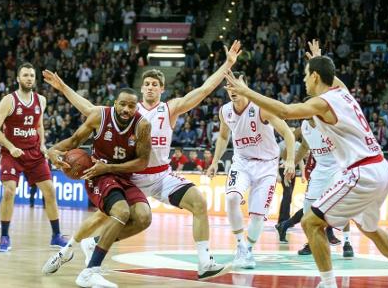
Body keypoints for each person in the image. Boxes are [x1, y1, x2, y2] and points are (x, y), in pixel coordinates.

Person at [41, 40, 242, 280]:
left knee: (198, 202)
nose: (149, 88)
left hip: (160, 175)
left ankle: (203, 262)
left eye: (155, 85)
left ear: (162, 89)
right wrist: (63, 87)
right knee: (103, 216)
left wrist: (227, 64)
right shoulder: (129, 111)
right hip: (130, 175)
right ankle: (70, 248)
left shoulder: (170, 109)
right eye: (146, 84)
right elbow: (88, 108)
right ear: (141, 89)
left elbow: (204, 90)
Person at [224, 40, 388, 288]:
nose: (303, 80)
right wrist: (320, 59)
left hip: (361, 172)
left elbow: (286, 111)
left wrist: (247, 92)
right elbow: (332, 78)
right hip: (381, 169)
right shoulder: (342, 92)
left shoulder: (322, 103)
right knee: (371, 228)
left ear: (314, 76)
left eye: (305, 75)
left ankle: (328, 283)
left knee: (310, 222)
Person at [42, 88, 152, 288]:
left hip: (121, 175)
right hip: (97, 174)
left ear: (136, 107)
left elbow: (142, 162)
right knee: (121, 211)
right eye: (123, 104)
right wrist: (53, 150)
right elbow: (75, 141)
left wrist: (109, 167)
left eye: (131, 106)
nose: (127, 109)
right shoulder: (99, 117)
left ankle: (91, 243)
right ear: (114, 103)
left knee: (144, 218)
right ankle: (90, 271)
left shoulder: (142, 125)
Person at [206, 71, 295, 269]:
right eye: (228, 86)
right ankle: (240, 246)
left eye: (237, 84)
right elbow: (222, 137)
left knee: (257, 215)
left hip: (267, 165)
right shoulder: (225, 111)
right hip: (242, 162)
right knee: (231, 198)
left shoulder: (261, 109)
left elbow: (288, 133)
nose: (233, 90)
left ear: (246, 86)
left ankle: (249, 250)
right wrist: (214, 162)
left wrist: (289, 160)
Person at [0, 62, 67, 252]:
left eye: (32, 75)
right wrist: (10, 146)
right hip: (12, 153)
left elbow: (39, 124)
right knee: (9, 192)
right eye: (25, 75)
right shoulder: (9, 100)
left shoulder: (41, 100)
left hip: (34, 152)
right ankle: (5, 236)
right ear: (18, 78)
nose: (29, 78)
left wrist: (42, 144)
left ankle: (56, 235)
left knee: (50, 191)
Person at [275, 117, 354, 258]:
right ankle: (312, 241)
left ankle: (347, 243)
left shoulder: (328, 123)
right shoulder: (305, 126)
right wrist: (292, 163)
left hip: (337, 167)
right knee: (308, 208)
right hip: (320, 168)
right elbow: (305, 146)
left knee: (339, 204)